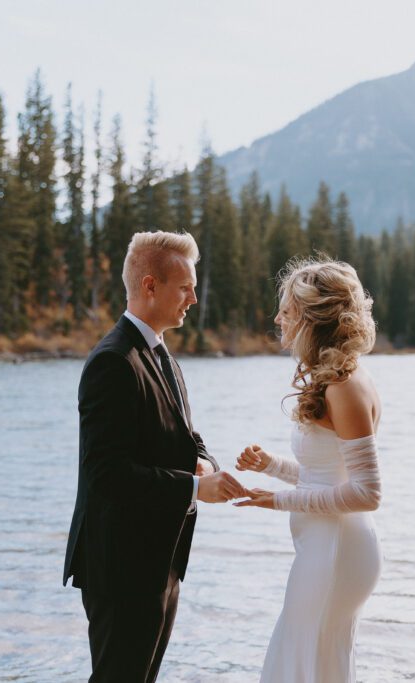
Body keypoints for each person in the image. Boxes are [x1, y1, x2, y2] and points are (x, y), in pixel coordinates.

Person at [63, 230, 247, 683]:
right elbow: (107, 474)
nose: (193, 299)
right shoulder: (113, 362)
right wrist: (192, 487)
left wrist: (204, 463)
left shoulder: (162, 355)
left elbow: (185, 433)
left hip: (161, 559)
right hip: (121, 566)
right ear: (150, 285)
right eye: (185, 287)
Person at [235, 256, 383, 683]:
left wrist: (277, 501)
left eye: (288, 310)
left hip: (338, 549)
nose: (278, 318)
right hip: (323, 545)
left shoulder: (347, 385)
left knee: (305, 662)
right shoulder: (333, 380)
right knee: (305, 660)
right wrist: (271, 467)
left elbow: (367, 492)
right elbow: (324, 476)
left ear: (312, 319)